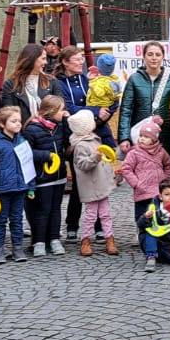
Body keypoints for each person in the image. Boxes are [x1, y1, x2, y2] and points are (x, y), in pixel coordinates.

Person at [0, 107, 32, 265]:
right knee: (0, 221)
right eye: (14, 121)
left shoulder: (22, 140)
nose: (18, 124)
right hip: (1, 190)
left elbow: (28, 165)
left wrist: (31, 186)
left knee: (17, 220)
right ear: (2, 124)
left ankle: (17, 248)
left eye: (19, 121)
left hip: (19, 188)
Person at [22, 96, 71, 257]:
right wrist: (47, 155)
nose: (64, 112)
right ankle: (39, 241)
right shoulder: (32, 129)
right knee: (42, 210)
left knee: (56, 209)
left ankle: (54, 239)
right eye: (61, 110)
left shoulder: (60, 125)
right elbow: (27, 153)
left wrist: (67, 122)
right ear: (51, 111)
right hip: (43, 176)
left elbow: (66, 142)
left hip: (59, 175)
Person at [69, 110, 118, 258]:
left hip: (101, 183)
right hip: (91, 186)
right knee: (91, 215)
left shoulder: (94, 138)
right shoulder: (80, 145)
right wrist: (95, 157)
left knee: (106, 214)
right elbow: (83, 164)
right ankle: (86, 240)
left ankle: (110, 239)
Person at [118, 41, 170, 150]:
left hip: (167, 135)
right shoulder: (134, 79)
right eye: (150, 54)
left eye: (158, 55)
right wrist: (124, 138)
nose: (154, 58)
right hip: (141, 135)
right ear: (144, 57)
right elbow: (126, 110)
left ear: (163, 57)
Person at [121, 117, 170, 238]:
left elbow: (168, 165)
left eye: (146, 137)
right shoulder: (134, 152)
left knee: (158, 212)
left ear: (154, 139)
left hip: (157, 190)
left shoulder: (161, 151)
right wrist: (136, 183)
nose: (142, 139)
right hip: (142, 190)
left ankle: (158, 232)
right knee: (141, 213)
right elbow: (126, 168)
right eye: (141, 136)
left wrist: (164, 180)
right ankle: (141, 233)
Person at [140, 178, 170, 272]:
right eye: (167, 194)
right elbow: (141, 226)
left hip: (169, 244)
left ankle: (160, 255)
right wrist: (146, 217)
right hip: (153, 241)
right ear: (160, 196)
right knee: (151, 231)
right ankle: (151, 256)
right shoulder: (153, 208)